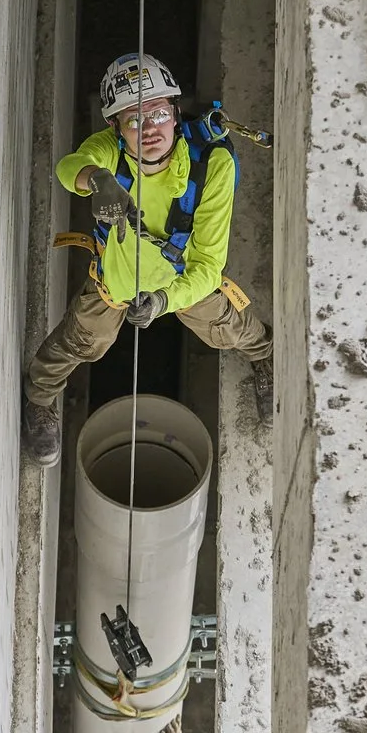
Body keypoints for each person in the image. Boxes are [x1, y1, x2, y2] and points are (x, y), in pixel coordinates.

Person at [21, 52, 274, 466]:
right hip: (119, 277)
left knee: (228, 328)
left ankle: (265, 358)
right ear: (116, 128)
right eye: (134, 121)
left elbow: (208, 266)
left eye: (157, 114)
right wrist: (97, 180)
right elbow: (70, 168)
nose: (150, 129)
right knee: (82, 342)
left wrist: (162, 302)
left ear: (176, 112)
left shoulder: (212, 164)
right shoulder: (108, 153)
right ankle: (39, 400)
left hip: (181, 280)